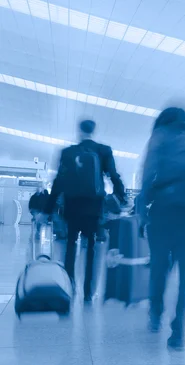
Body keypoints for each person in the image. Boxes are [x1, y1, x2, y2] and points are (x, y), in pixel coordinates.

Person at [139, 107, 185, 350]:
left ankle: (155, 314)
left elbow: (148, 174)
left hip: (164, 212)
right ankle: (179, 329)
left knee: (159, 268)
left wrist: (142, 212)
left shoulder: (160, 137)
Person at [42, 119, 126, 302]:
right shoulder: (103, 150)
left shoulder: (68, 152)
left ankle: (69, 284)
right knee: (90, 248)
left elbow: (58, 182)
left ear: (79, 131)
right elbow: (113, 175)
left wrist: (47, 209)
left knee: (70, 246)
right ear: (93, 131)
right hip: (93, 207)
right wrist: (121, 197)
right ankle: (88, 292)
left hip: (72, 206)